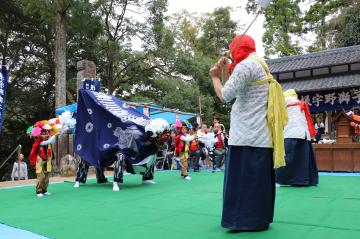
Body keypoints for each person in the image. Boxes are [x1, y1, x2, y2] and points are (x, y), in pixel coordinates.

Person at [210, 34, 288, 231]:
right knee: (256, 182)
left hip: (245, 135)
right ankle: (257, 219)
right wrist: (228, 70)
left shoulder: (245, 66)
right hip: (260, 135)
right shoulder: (259, 64)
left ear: (237, 48)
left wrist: (215, 77)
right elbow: (239, 87)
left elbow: (226, 94)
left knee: (243, 182)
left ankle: (242, 220)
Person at [276, 89, 318, 186]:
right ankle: (305, 180)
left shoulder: (284, 102)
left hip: (291, 133)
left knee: (287, 157)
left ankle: (281, 180)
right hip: (304, 135)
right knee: (303, 159)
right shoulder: (300, 104)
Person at [29, 130, 56, 197]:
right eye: (43, 134)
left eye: (46, 133)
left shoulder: (49, 140)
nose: (45, 135)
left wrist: (58, 132)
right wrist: (56, 134)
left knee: (47, 177)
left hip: (48, 160)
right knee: (41, 176)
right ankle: (39, 191)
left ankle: (44, 190)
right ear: (40, 135)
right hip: (40, 160)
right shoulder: (39, 142)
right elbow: (48, 141)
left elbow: (52, 140)